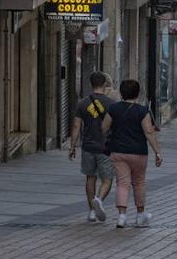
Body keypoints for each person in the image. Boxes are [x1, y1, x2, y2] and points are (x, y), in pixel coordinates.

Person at [101, 79, 163, 228]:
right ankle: (140, 215)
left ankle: (121, 216)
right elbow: (149, 132)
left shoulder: (113, 108)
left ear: (122, 92)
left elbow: (104, 128)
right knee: (139, 182)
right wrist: (157, 152)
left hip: (118, 151)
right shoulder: (142, 111)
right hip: (138, 152)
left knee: (122, 183)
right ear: (137, 93)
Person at [69, 72, 115, 223]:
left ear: (91, 84)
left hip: (87, 146)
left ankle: (91, 212)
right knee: (107, 179)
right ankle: (99, 200)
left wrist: (72, 146)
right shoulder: (110, 103)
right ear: (104, 84)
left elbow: (76, 125)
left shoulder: (82, 103)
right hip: (105, 147)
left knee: (90, 177)